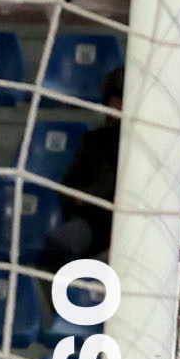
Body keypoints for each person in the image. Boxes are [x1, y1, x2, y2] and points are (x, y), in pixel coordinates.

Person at [40, 67, 123, 266]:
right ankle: (67, 288)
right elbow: (68, 186)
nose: (118, 107)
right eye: (115, 100)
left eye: (122, 100)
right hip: (96, 223)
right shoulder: (95, 141)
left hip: (137, 225)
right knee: (59, 243)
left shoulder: (158, 146)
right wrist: (80, 198)